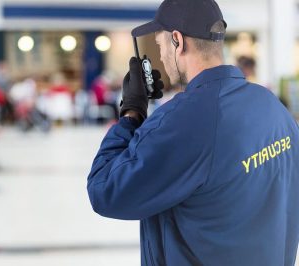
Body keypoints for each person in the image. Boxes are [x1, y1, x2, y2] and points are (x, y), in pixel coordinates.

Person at [87, 0, 299, 265]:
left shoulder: (182, 120)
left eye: (161, 44)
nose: (161, 56)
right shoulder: (274, 108)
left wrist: (132, 113)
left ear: (178, 41)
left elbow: (105, 191)